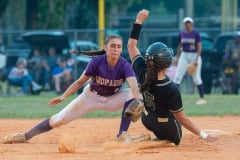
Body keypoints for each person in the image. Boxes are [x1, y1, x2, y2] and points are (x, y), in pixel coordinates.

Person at [3, 35, 142, 144]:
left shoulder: (124, 65)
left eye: (118, 47)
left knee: (133, 93)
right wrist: (64, 96)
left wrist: (138, 100)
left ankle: (121, 135)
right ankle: (26, 136)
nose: (116, 49)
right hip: (91, 97)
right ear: (105, 47)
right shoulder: (96, 62)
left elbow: (134, 85)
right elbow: (80, 81)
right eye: (112, 46)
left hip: (113, 99)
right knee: (59, 119)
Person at [127, 9, 216, 145]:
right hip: (164, 127)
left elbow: (131, 46)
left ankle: (153, 137)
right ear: (166, 63)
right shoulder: (170, 88)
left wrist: (138, 21)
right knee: (177, 136)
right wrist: (202, 134)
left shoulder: (142, 70)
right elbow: (182, 119)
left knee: (158, 111)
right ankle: (154, 142)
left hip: (146, 119)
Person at [173, 17, 206, 105]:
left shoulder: (196, 33)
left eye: (189, 22)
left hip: (194, 55)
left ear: (192, 23)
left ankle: (202, 98)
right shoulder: (182, 33)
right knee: (177, 77)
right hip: (184, 55)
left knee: (196, 78)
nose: (187, 24)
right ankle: (173, 98)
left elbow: (199, 47)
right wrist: (177, 58)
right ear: (184, 24)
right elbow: (180, 46)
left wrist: (196, 60)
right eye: (186, 22)